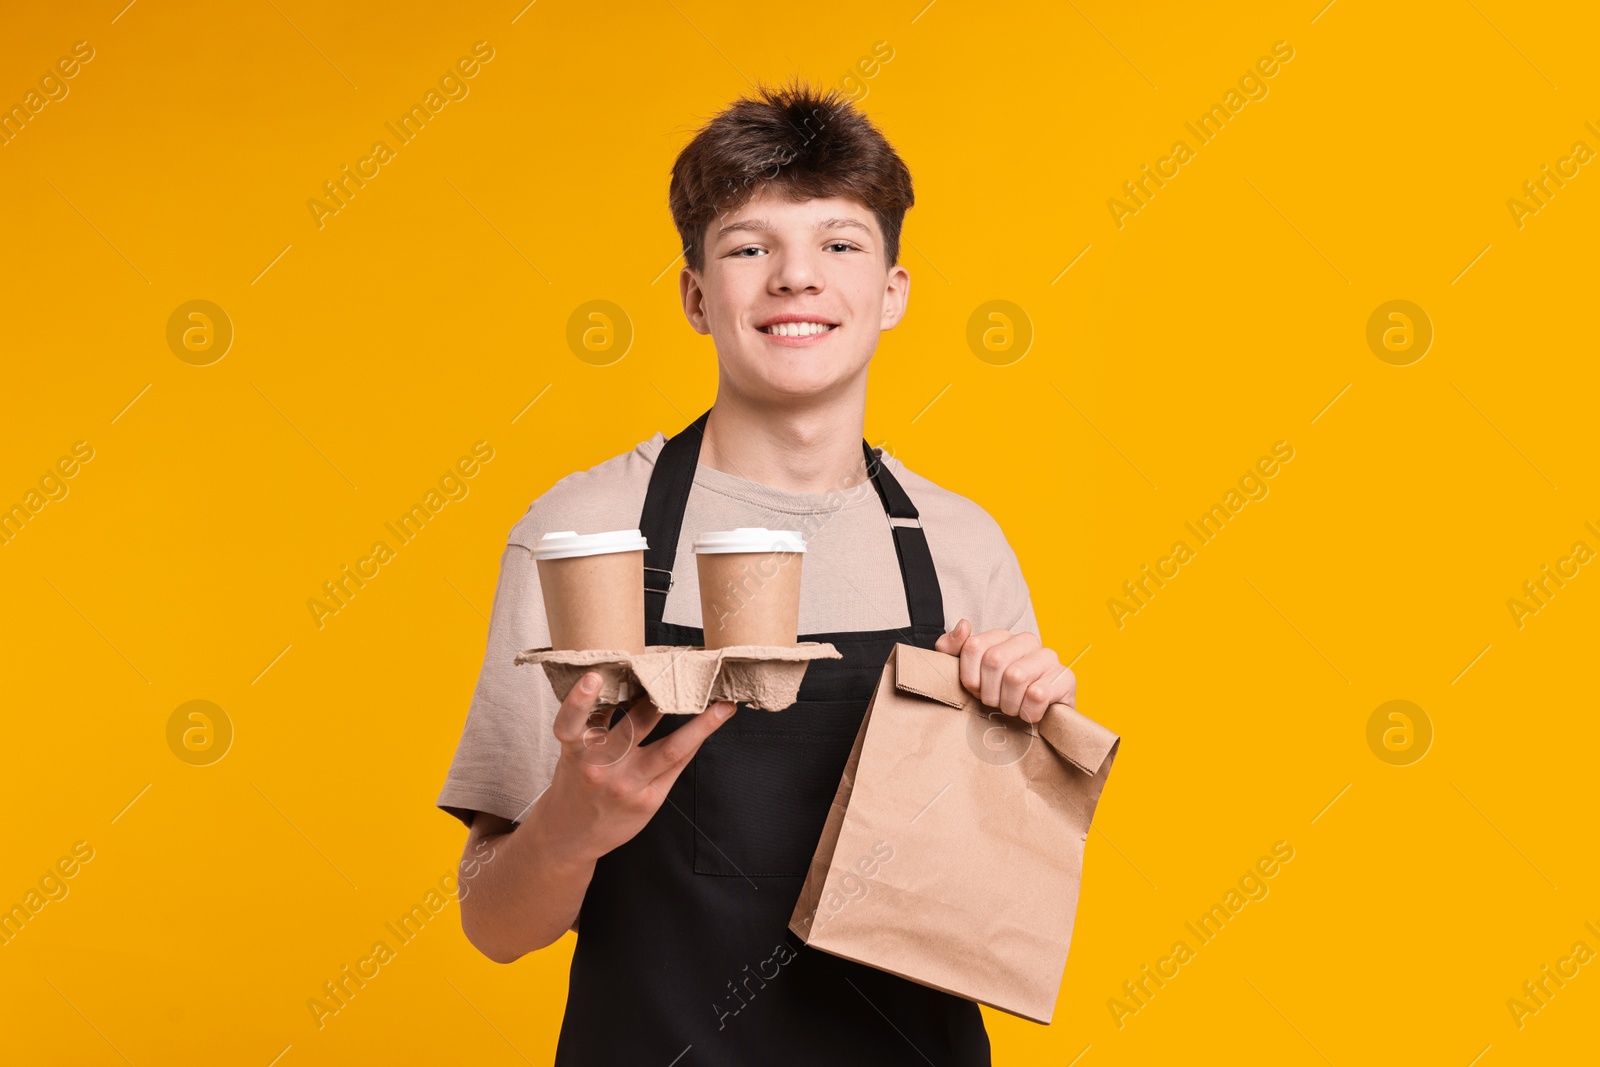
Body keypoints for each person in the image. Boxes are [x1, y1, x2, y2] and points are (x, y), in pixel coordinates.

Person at [436, 78, 1077, 1066]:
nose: (795, 278)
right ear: (697, 295)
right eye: (749, 246)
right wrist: (574, 818)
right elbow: (495, 922)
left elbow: (992, 905)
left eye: (838, 243)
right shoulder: (585, 537)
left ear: (891, 292)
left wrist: (1025, 736)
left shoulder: (959, 547)